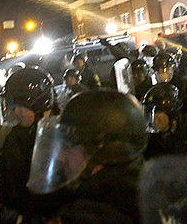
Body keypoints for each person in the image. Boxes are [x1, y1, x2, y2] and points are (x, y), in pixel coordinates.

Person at [27, 90, 148, 223]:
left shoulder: (94, 215)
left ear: (101, 152)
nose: (60, 156)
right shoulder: (141, 189)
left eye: (68, 147)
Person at [0, 67, 55, 217]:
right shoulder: (15, 136)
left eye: (21, 107)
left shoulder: (60, 136)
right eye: (13, 107)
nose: (16, 112)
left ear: (40, 104)